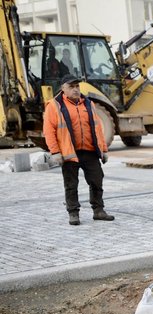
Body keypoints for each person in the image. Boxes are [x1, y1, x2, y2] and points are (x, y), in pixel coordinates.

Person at [43, 75, 112, 226]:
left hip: (90, 151)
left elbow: (97, 128)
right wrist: (55, 152)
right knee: (71, 184)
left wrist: (104, 150)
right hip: (69, 153)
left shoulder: (88, 104)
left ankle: (98, 210)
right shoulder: (54, 106)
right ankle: (73, 213)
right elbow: (49, 131)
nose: (75, 90)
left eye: (77, 86)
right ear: (63, 89)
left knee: (96, 180)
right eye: (71, 87)